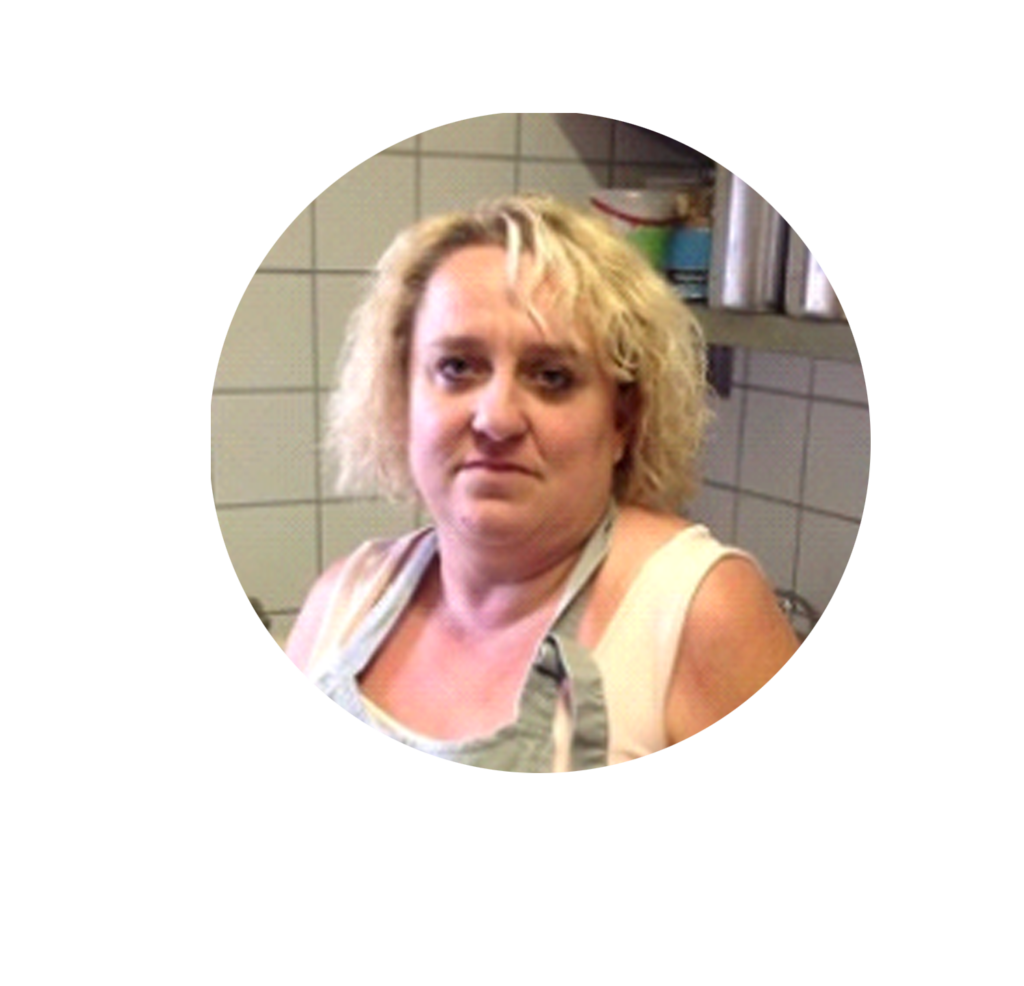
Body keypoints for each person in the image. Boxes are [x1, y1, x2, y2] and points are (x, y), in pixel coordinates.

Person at [287, 193, 797, 771]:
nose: (496, 419)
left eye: (552, 376)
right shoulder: (345, 602)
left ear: (622, 420)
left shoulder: (694, 611)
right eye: (457, 367)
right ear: (403, 398)